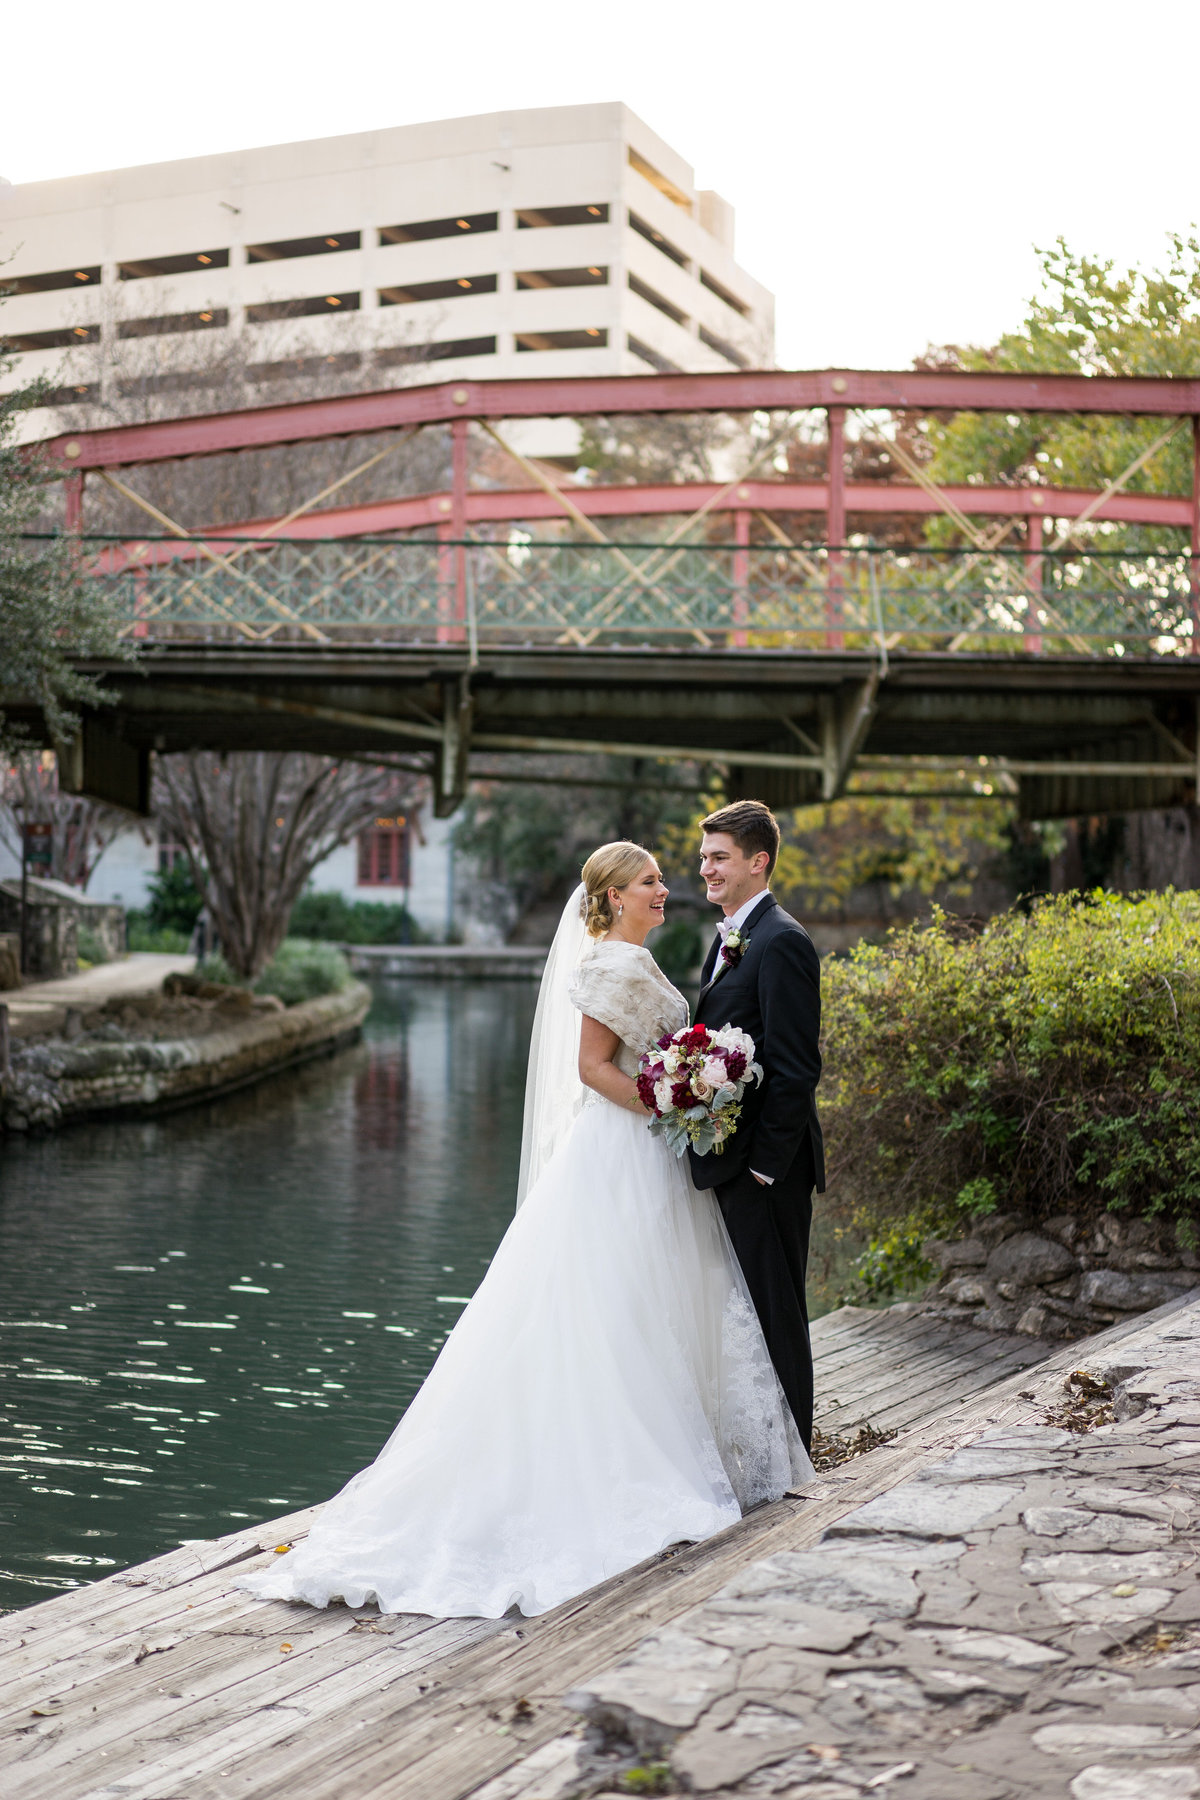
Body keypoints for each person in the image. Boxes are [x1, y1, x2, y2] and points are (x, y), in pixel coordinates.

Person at [240, 840, 811, 1621]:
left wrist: (685, 1090)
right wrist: (670, 1103)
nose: (666, 889)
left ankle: (692, 1449)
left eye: (665, 879)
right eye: (651, 882)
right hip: (622, 1151)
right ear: (613, 897)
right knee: (607, 1307)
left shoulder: (644, 958)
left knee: (650, 1305)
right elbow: (591, 1068)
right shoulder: (609, 965)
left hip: (656, 1157)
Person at [688, 801, 825, 1452]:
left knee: (776, 1312)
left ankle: (795, 1459)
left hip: (767, 1169)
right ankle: (762, 1453)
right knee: (746, 1312)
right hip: (732, 1160)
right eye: (705, 856)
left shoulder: (783, 941)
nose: (705, 869)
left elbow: (797, 1068)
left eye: (718, 857)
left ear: (756, 862)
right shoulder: (730, 937)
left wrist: (764, 1167)